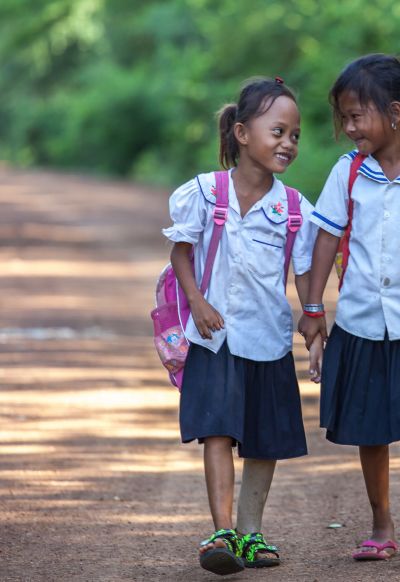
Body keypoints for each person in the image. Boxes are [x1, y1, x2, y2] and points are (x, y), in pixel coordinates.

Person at [163, 76, 319, 576]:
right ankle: (223, 531)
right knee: (217, 430)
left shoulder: (294, 209)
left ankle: (252, 534)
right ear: (241, 133)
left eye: (295, 135)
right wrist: (197, 301)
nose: (288, 143)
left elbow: (304, 279)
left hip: (269, 340)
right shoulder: (206, 193)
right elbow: (182, 251)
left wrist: (314, 324)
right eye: (278, 131)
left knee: (263, 440)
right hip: (216, 336)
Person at [299, 53, 400, 561]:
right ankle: (382, 523)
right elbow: (325, 237)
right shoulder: (350, 171)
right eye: (344, 117)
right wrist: (313, 306)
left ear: (396, 112)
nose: (349, 127)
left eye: (358, 115)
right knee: (372, 429)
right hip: (363, 319)